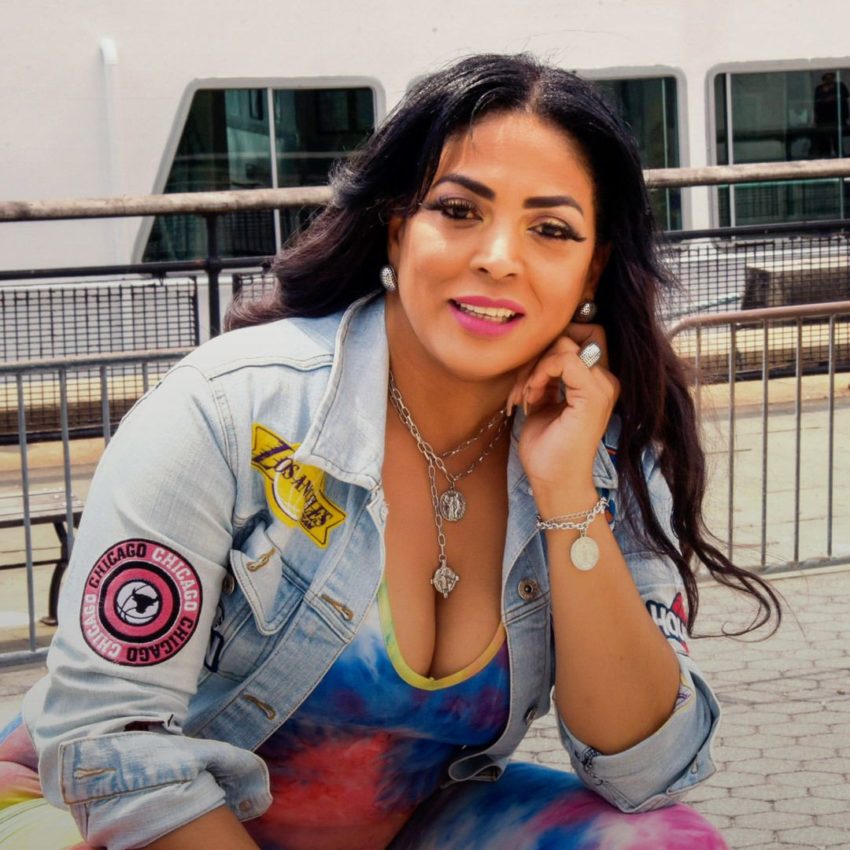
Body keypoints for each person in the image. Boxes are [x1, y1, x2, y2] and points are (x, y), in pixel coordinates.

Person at [1, 53, 781, 850]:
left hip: (399, 825)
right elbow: (111, 747)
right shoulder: (230, 408)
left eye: (550, 230)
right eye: (459, 210)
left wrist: (566, 491)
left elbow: (647, 768)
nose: (499, 256)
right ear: (398, 226)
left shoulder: (599, 445)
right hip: (82, 808)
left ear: (594, 267)